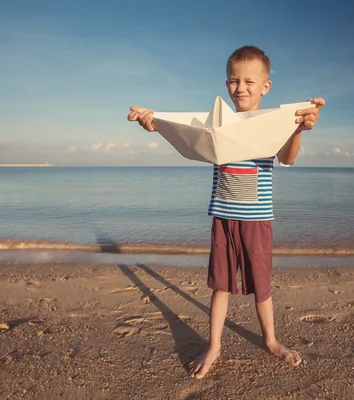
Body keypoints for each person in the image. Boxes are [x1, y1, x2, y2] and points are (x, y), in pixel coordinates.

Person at [127, 45, 325, 379]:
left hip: (257, 220)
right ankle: (215, 346)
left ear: (266, 86)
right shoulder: (218, 122)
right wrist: (154, 122)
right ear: (226, 85)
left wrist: (299, 129)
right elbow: (183, 131)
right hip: (222, 217)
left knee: (261, 285)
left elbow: (288, 159)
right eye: (234, 81)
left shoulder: (274, 122)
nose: (241, 87)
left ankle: (271, 340)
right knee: (220, 286)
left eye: (249, 81)